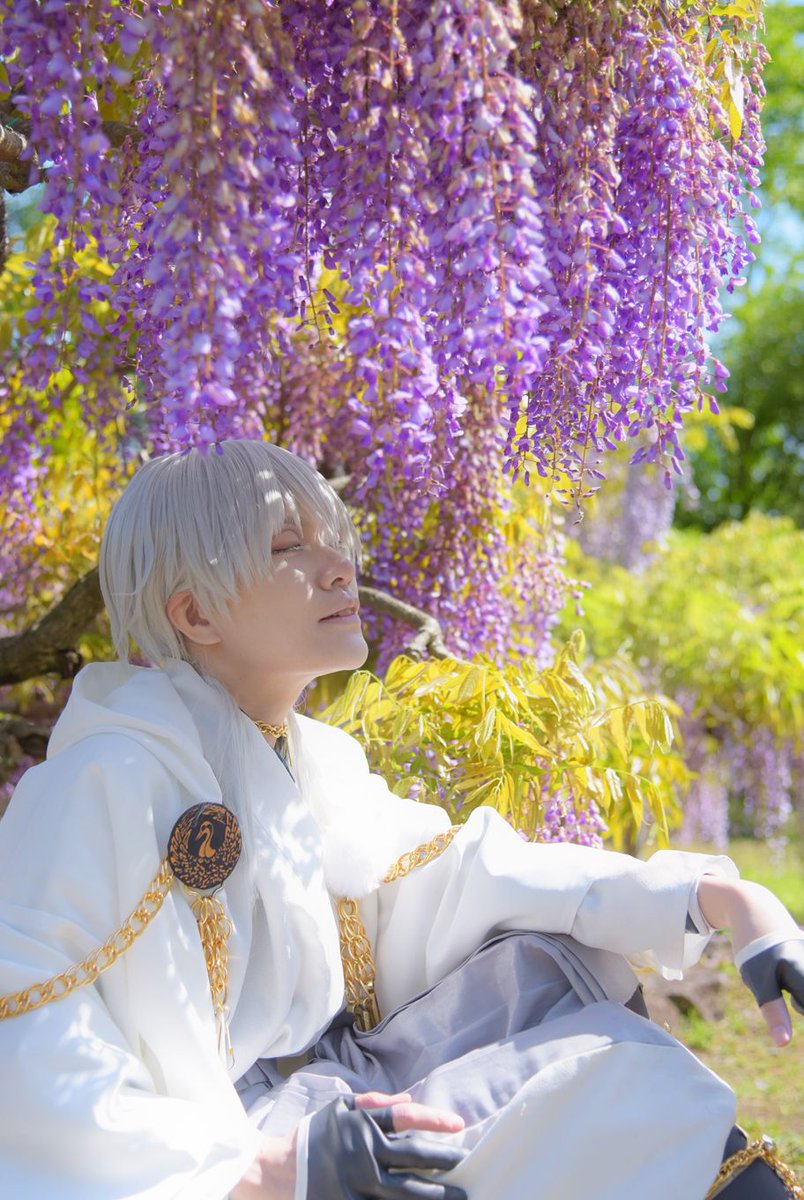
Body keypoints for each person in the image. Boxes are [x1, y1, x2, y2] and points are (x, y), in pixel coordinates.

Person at [0, 439, 801, 1200]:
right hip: (212, 1164)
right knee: (616, 1084)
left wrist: (717, 898)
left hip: (329, 1111)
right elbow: (25, 1025)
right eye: (289, 547)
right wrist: (261, 1169)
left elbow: (470, 875)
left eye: (333, 541)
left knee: (594, 1023)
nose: (337, 568)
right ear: (196, 615)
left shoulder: (316, 764)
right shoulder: (102, 778)